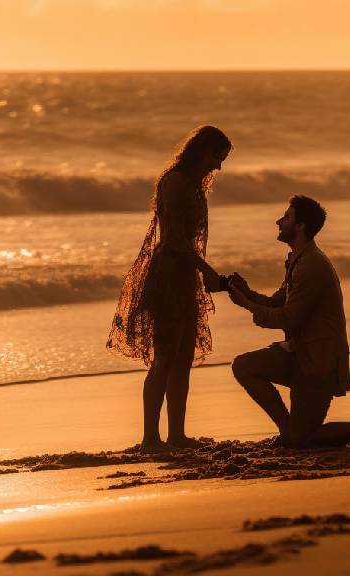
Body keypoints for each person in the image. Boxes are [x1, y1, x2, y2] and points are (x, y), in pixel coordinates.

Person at [228, 195, 350, 448]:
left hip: (319, 363)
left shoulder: (312, 265)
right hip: (299, 353)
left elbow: (289, 319)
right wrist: (247, 293)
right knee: (244, 366)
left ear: (300, 226)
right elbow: (278, 303)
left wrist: (246, 305)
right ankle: (287, 431)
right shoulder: (299, 259)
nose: (278, 221)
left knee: (306, 438)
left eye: (286, 217)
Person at [107, 126, 232, 452]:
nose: (218, 166)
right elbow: (174, 241)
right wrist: (208, 270)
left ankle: (176, 434)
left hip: (185, 275)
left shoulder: (193, 186)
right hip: (167, 277)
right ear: (200, 150)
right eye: (216, 156)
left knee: (183, 358)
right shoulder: (176, 183)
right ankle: (151, 437)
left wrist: (200, 273)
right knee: (165, 358)